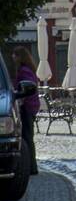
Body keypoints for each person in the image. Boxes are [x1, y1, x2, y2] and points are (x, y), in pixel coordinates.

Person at [12, 48, 40, 176]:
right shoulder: (28, 70)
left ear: (20, 57)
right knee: (28, 137)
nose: (13, 57)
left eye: (15, 54)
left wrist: (20, 101)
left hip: (27, 107)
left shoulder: (24, 71)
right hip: (31, 106)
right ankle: (30, 166)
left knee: (27, 137)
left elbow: (27, 90)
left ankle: (31, 167)